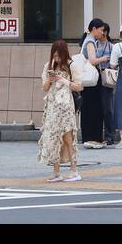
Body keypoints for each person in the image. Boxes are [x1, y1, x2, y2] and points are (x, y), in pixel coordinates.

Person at [38, 40, 82, 182]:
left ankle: (74, 170)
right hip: (52, 106)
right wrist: (50, 80)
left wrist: (64, 80)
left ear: (64, 54)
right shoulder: (48, 66)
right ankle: (56, 172)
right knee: (54, 137)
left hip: (66, 106)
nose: (56, 58)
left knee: (68, 138)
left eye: (58, 56)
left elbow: (79, 87)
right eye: (54, 55)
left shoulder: (71, 65)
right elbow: (44, 88)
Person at [79, 18, 112, 148]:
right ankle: (93, 137)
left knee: (88, 108)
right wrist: (104, 58)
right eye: (101, 30)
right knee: (94, 108)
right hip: (92, 81)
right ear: (94, 29)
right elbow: (92, 60)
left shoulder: (88, 40)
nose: (102, 33)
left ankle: (89, 137)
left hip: (88, 81)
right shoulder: (90, 41)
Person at [100, 22, 117, 146]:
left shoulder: (111, 47)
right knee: (98, 108)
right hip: (94, 79)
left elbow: (114, 64)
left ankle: (110, 135)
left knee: (107, 108)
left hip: (106, 79)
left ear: (105, 32)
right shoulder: (92, 44)